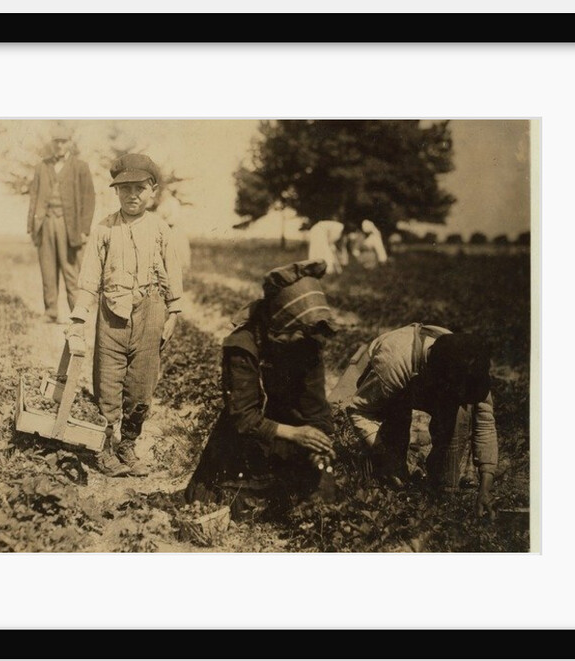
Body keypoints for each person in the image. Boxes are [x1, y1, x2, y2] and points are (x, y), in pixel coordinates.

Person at [184, 260, 338, 519]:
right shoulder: (243, 346)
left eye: (305, 332)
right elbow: (243, 418)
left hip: (290, 436)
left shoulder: (308, 343)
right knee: (231, 504)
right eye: (296, 331)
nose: (302, 338)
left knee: (322, 500)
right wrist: (295, 434)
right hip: (248, 437)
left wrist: (318, 444)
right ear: (280, 319)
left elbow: (316, 407)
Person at [65, 154, 183, 477]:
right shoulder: (104, 228)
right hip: (112, 313)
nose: (132, 195)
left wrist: (173, 312)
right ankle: (103, 445)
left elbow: (173, 273)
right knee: (108, 379)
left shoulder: (160, 229)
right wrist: (79, 316)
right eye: (125, 189)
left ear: (153, 191)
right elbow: (89, 276)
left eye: (140, 188)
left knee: (142, 382)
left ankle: (127, 444)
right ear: (116, 192)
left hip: (150, 311)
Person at [341, 323, 502, 519]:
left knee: (460, 420)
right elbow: (359, 411)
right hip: (398, 380)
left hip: (435, 381)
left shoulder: (469, 365)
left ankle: (439, 485)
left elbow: (484, 422)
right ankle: (394, 471)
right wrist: (383, 453)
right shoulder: (394, 364)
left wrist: (486, 488)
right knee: (393, 472)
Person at [27, 124, 96, 323]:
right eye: (56, 141)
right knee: (47, 268)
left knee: (71, 269)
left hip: (69, 226)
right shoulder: (42, 167)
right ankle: (50, 312)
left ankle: (77, 313)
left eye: (63, 141)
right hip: (46, 223)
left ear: (69, 143)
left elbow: (89, 198)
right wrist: (32, 227)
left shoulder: (80, 167)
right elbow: (34, 198)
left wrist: (84, 229)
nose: (59, 145)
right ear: (52, 143)